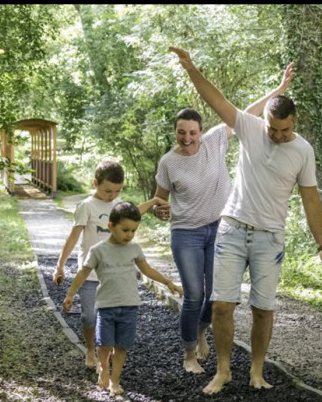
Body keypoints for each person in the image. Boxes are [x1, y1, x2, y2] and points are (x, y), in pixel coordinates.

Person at [168, 47, 322, 396]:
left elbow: (310, 198)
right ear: (267, 122)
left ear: (295, 122)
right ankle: (224, 370)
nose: (277, 136)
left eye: (284, 130)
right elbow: (217, 101)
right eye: (273, 129)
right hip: (232, 227)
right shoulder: (250, 127)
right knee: (222, 305)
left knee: (263, 308)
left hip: (270, 238)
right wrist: (191, 68)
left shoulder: (303, 150)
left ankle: (257, 370)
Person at [151, 63, 296, 375]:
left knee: (216, 297)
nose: (187, 138)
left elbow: (246, 114)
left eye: (192, 132)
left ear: (201, 132)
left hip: (219, 229)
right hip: (186, 234)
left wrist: (278, 91)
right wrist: (158, 208)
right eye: (181, 132)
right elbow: (159, 199)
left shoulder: (217, 139)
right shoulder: (168, 162)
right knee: (194, 294)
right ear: (175, 132)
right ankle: (189, 353)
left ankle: (201, 331)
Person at [63, 201, 182, 396]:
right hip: (106, 307)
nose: (129, 235)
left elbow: (147, 270)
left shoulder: (134, 249)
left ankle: (115, 381)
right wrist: (70, 294)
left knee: (121, 346)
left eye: (134, 231)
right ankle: (103, 369)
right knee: (104, 344)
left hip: (129, 307)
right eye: (125, 229)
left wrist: (168, 282)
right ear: (111, 226)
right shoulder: (98, 251)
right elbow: (83, 274)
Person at [51, 159, 157, 370]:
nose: (113, 196)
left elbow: (135, 210)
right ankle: (90, 349)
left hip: (114, 274)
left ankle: (105, 357)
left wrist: (154, 201)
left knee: (110, 317)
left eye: (117, 191)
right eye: (108, 191)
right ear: (95, 183)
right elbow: (73, 238)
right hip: (90, 273)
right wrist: (60, 265)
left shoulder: (118, 206)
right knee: (89, 317)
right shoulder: (86, 207)